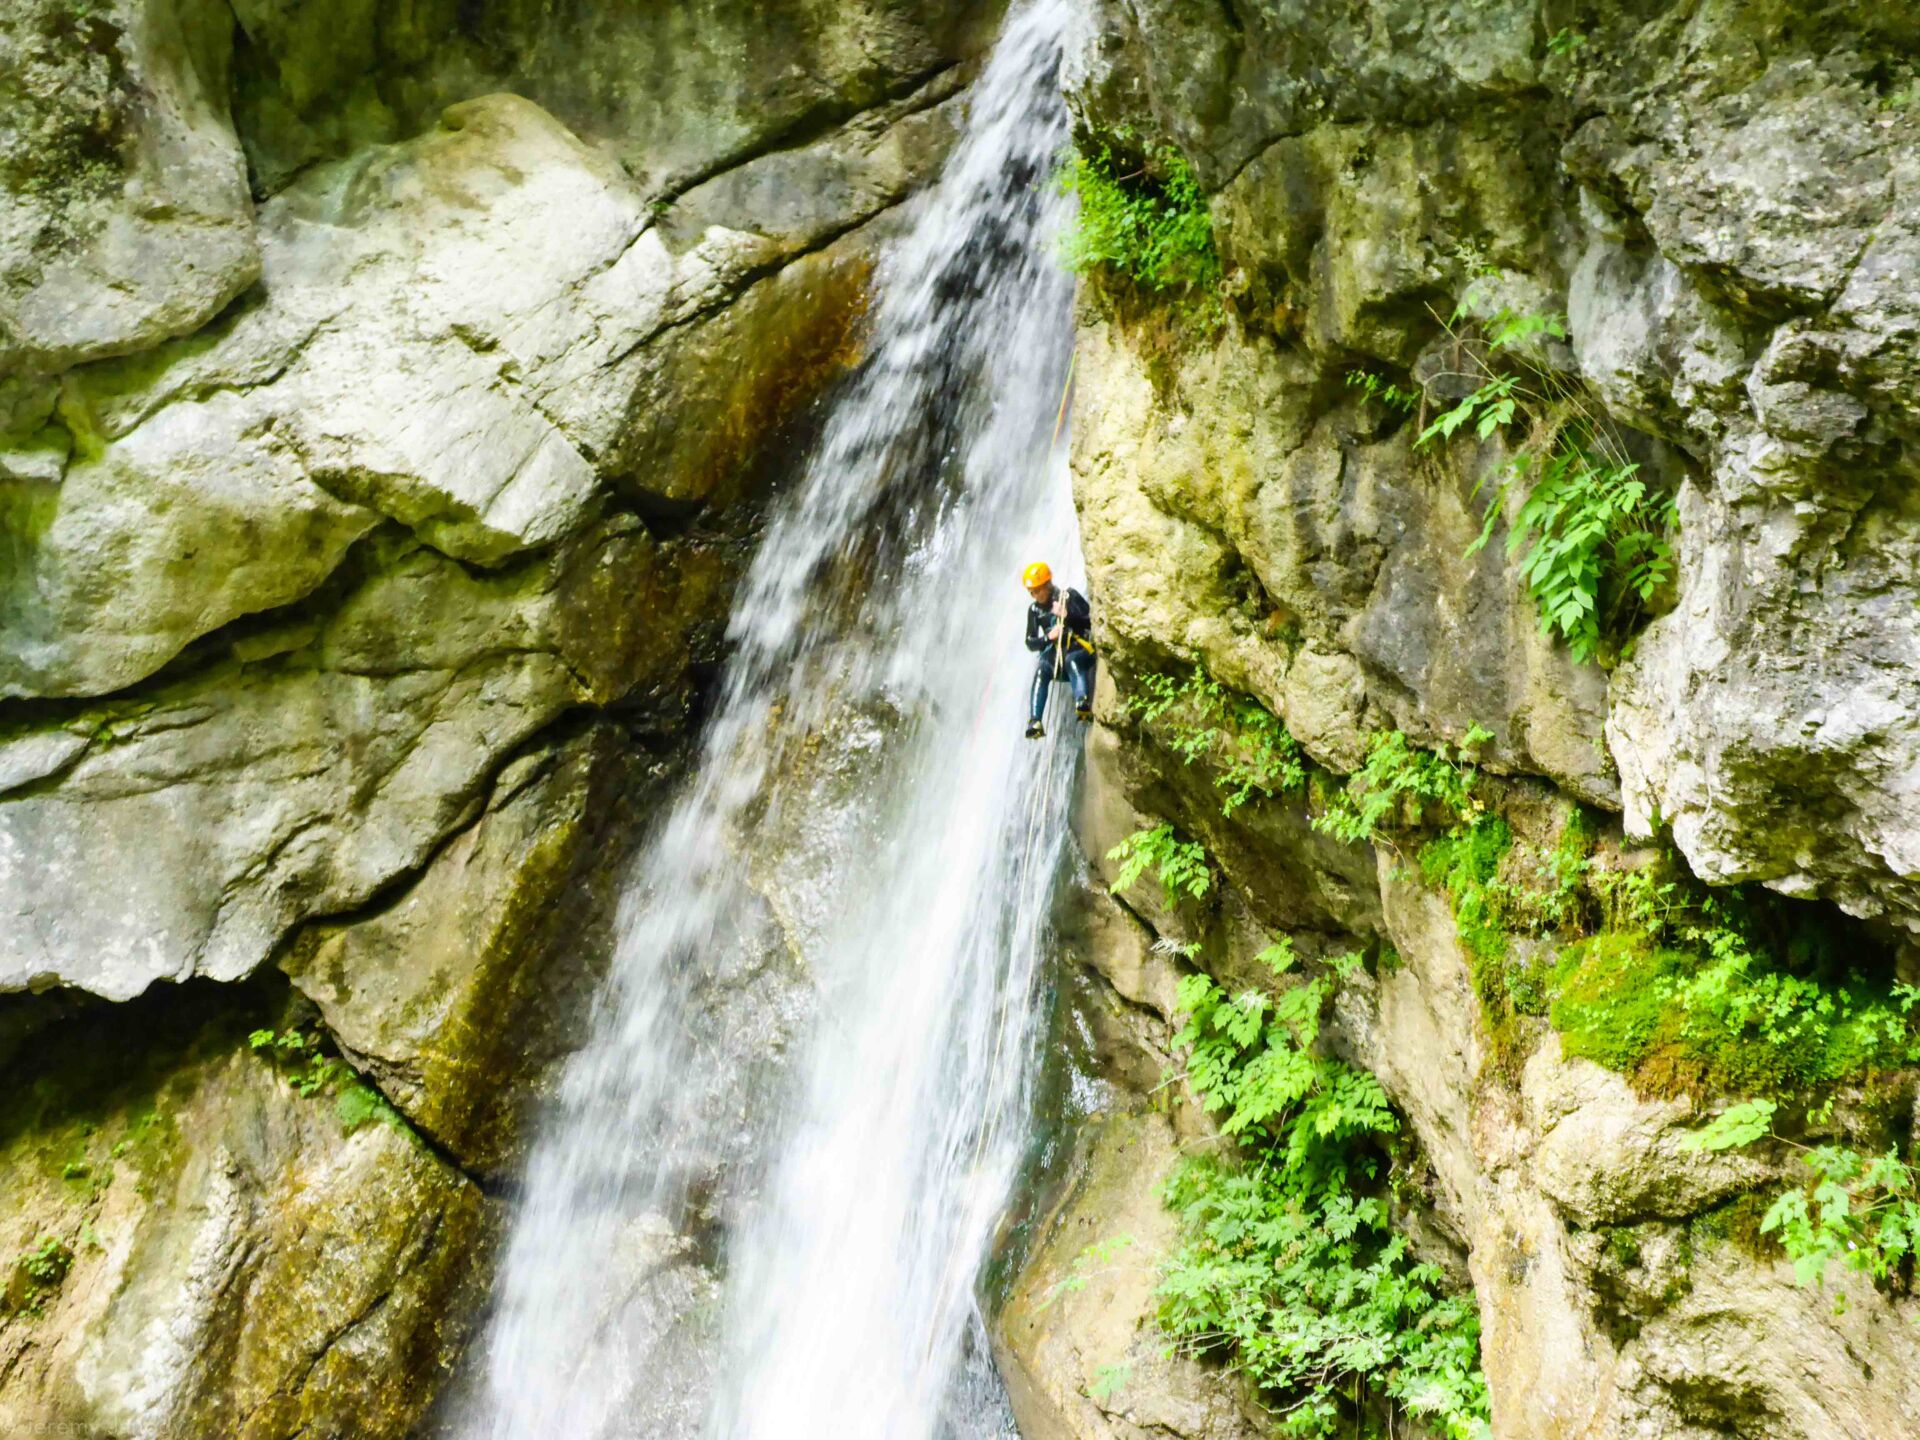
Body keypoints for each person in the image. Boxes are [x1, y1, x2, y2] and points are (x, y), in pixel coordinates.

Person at [1021, 561, 1094, 739]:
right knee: (1041, 671)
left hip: (1078, 650)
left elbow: (1090, 621)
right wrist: (1048, 638)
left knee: (1072, 661)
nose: (1035, 595)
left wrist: (1067, 615)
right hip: (1055, 658)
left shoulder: (1068, 597)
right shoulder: (1034, 610)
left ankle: (1082, 701)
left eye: (1038, 590)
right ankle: (1035, 721)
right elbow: (1030, 642)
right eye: (1032, 592)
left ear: (1047, 584)